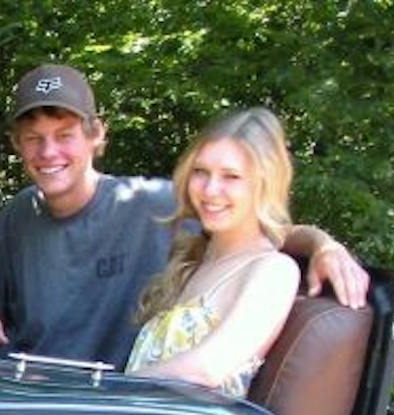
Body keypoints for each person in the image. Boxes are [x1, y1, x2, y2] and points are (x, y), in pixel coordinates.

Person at [0, 64, 366, 369]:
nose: (49, 153)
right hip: (21, 394)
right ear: (17, 145)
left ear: (97, 135)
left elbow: (255, 231)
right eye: (34, 139)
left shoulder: (152, 206)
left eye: (64, 136)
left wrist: (321, 245)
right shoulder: (17, 216)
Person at [122, 108, 301, 396]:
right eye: (200, 172)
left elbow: (207, 368)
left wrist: (110, 392)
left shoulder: (272, 272)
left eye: (231, 177)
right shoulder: (197, 257)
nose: (210, 190)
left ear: (265, 183)